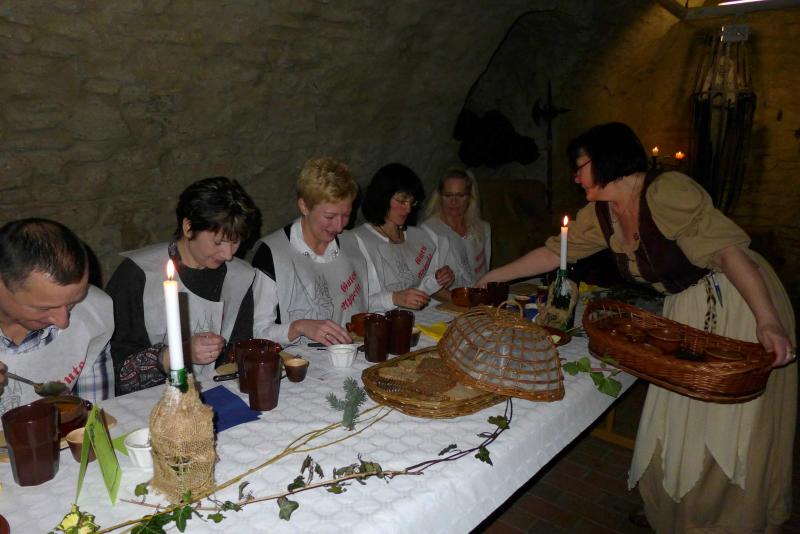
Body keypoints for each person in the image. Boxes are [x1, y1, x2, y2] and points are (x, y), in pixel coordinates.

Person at [478, 122, 796, 533]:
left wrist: (767, 319)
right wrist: (493, 278)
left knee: (722, 419)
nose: (575, 177)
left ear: (607, 159)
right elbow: (553, 253)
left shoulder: (665, 192)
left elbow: (728, 254)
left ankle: (718, 518)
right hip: (686, 307)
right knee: (675, 411)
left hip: (737, 300)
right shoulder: (602, 213)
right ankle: (673, 507)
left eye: (580, 166)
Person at [106, 176, 281, 395]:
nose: (228, 255)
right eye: (218, 242)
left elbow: (238, 351)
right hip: (150, 402)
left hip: (217, 395)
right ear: (188, 227)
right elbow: (115, 371)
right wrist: (178, 353)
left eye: (235, 242)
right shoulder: (138, 275)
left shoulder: (240, 276)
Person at [0, 218, 114, 413]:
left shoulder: (92, 313)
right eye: (43, 308)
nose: (63, 322)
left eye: (72, 302)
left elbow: (93, 416)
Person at [251, 157, 368, 346]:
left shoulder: (352, 242)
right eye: (329, 216)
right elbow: (258, 332)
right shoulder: (272, 253)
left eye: (346, 215)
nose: (339, 226)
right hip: (296, 361)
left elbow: (368, 301)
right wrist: (299, 327)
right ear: (304, 206)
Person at [353, 163, 455, 311]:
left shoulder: (418, 236)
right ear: (382, 196)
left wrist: (437, 280)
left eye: (412, 202)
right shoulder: (358, 240)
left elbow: (418, 288)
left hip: (419, 318)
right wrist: (394, 298)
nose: (408, 209)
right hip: (381, 321)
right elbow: (356, 302)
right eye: (402, 201)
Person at [421, 168, 491, 294]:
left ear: (470, 197)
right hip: (442, 303)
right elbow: (423, 284)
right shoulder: (428, 231)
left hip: (478, 299)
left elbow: (484, 275)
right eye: (448, 195)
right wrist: (461, 302)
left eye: (460, 195)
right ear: (439, 196)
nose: (454, 201)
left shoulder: (482, 229)